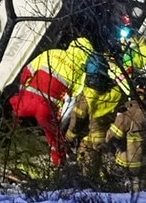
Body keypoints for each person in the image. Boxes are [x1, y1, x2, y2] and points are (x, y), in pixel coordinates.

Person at [8, 37, 95, 166]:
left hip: (27, 100)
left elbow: (28, 70)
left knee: (8, 106)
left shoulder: (52, 53)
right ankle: (59, 165)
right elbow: (74, 94)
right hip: (47, 109)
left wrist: (22, 91)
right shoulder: (80, 72)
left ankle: (2, 136)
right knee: (55, 138)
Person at [65, 52, 124, 179]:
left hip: (90, 143)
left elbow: (77, 120)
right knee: (110, 180)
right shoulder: (117, 91)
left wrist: (69, 137)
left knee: (89, 180)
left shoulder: (87, 94)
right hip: (110, 143)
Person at [106, 76, 146, 191]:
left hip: (126, 164)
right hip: (145, 162)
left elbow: (112, 138)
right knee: (142, 194)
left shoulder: (126, 115)